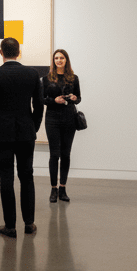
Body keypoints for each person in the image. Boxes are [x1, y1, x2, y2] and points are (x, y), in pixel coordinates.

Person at [0, 37, 45, 238]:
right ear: (19, 52)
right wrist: (33, 126)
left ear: (1, 52)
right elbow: (39, 104)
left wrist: (1, 114)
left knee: (6, 178)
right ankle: (29, 223)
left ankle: (10, 226)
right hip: (26, 132)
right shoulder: (32, 74)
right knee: (27, 176)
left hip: (2, 133)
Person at [42, 49, 82, 203]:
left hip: (69, 119)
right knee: (54, 155)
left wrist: (74, 98)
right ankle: (53, 189)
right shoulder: (46, 79)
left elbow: (79, 98)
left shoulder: (74, 78)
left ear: (66, 60)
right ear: (53, 61)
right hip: (52, 119)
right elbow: (42, 99)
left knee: (66, 154)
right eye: (56, 58)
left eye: (62, 58)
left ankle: (63, 188)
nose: (59, 60)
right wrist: (54, 101)